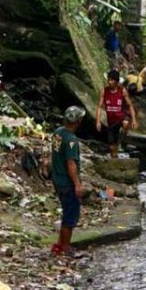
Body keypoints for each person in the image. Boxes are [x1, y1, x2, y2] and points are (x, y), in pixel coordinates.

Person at [51, 106, 86, 256]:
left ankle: (60, 244)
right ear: (78, 121)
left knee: (67, 212)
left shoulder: (58, 133)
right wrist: (77, 184)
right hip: (67, 182)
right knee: (70, 215)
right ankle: (65, 247)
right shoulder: (72, 141)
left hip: (57, 179)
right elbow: (71, 164)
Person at [96, 68, 137, 159]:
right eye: (109, 80)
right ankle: (116, 157)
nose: (110, 82)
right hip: (111, 122)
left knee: (125, 124)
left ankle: (121, 141)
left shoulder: (122, 91)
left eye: (112, 80)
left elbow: (130, 106)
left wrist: (134, 120)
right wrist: (98, 121)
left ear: (117, 81)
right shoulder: (104, 91)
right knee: (112, 149)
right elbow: (99, 106)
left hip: (122, 117)